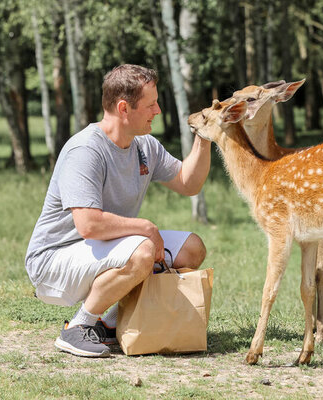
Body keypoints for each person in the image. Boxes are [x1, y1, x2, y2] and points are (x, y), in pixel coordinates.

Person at [25, 64, 211, 358]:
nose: (158, 111)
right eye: (151, 105)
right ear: (124, 108)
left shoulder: (144, 146)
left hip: (97, 251)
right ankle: (77, 328)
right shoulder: (86, 150)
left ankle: (110, 325)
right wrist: (147, 229)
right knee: (143, 249)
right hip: (53, 260)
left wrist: (205, 135)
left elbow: (189, 184)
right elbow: (88, 225)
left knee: (191, 248)